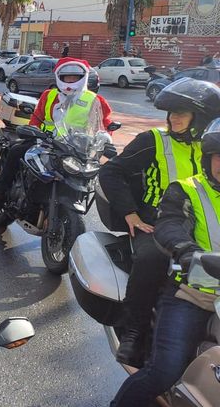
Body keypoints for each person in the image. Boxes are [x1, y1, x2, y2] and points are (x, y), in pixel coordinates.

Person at [99, 78, 220, 367]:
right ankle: (135, 331)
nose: (172, 118)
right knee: (152, 258)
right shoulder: (154, 140)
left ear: (201, 118)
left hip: (200, 221)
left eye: (181, 112)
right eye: (170, 112)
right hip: (158, 221)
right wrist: (131, 213)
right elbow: (111, 173)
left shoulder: (212, 147)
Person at [111, 117, 220, 406]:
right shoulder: (187, 189)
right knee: (164, 371)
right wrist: (187, 251)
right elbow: (170, 224)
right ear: (209, 158)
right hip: (193, 294)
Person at [0, 58, 113, 203]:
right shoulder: (49, 95)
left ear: (82, 77)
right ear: (60, 77)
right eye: (67, 77)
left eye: (75, 77)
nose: (70, 80)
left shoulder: (96, 100)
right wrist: (33, 130)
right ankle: (0, 192)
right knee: (16, 151)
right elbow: (37, 117)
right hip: (45, 143)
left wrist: (105, 140)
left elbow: (105, 125)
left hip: (76, 150)